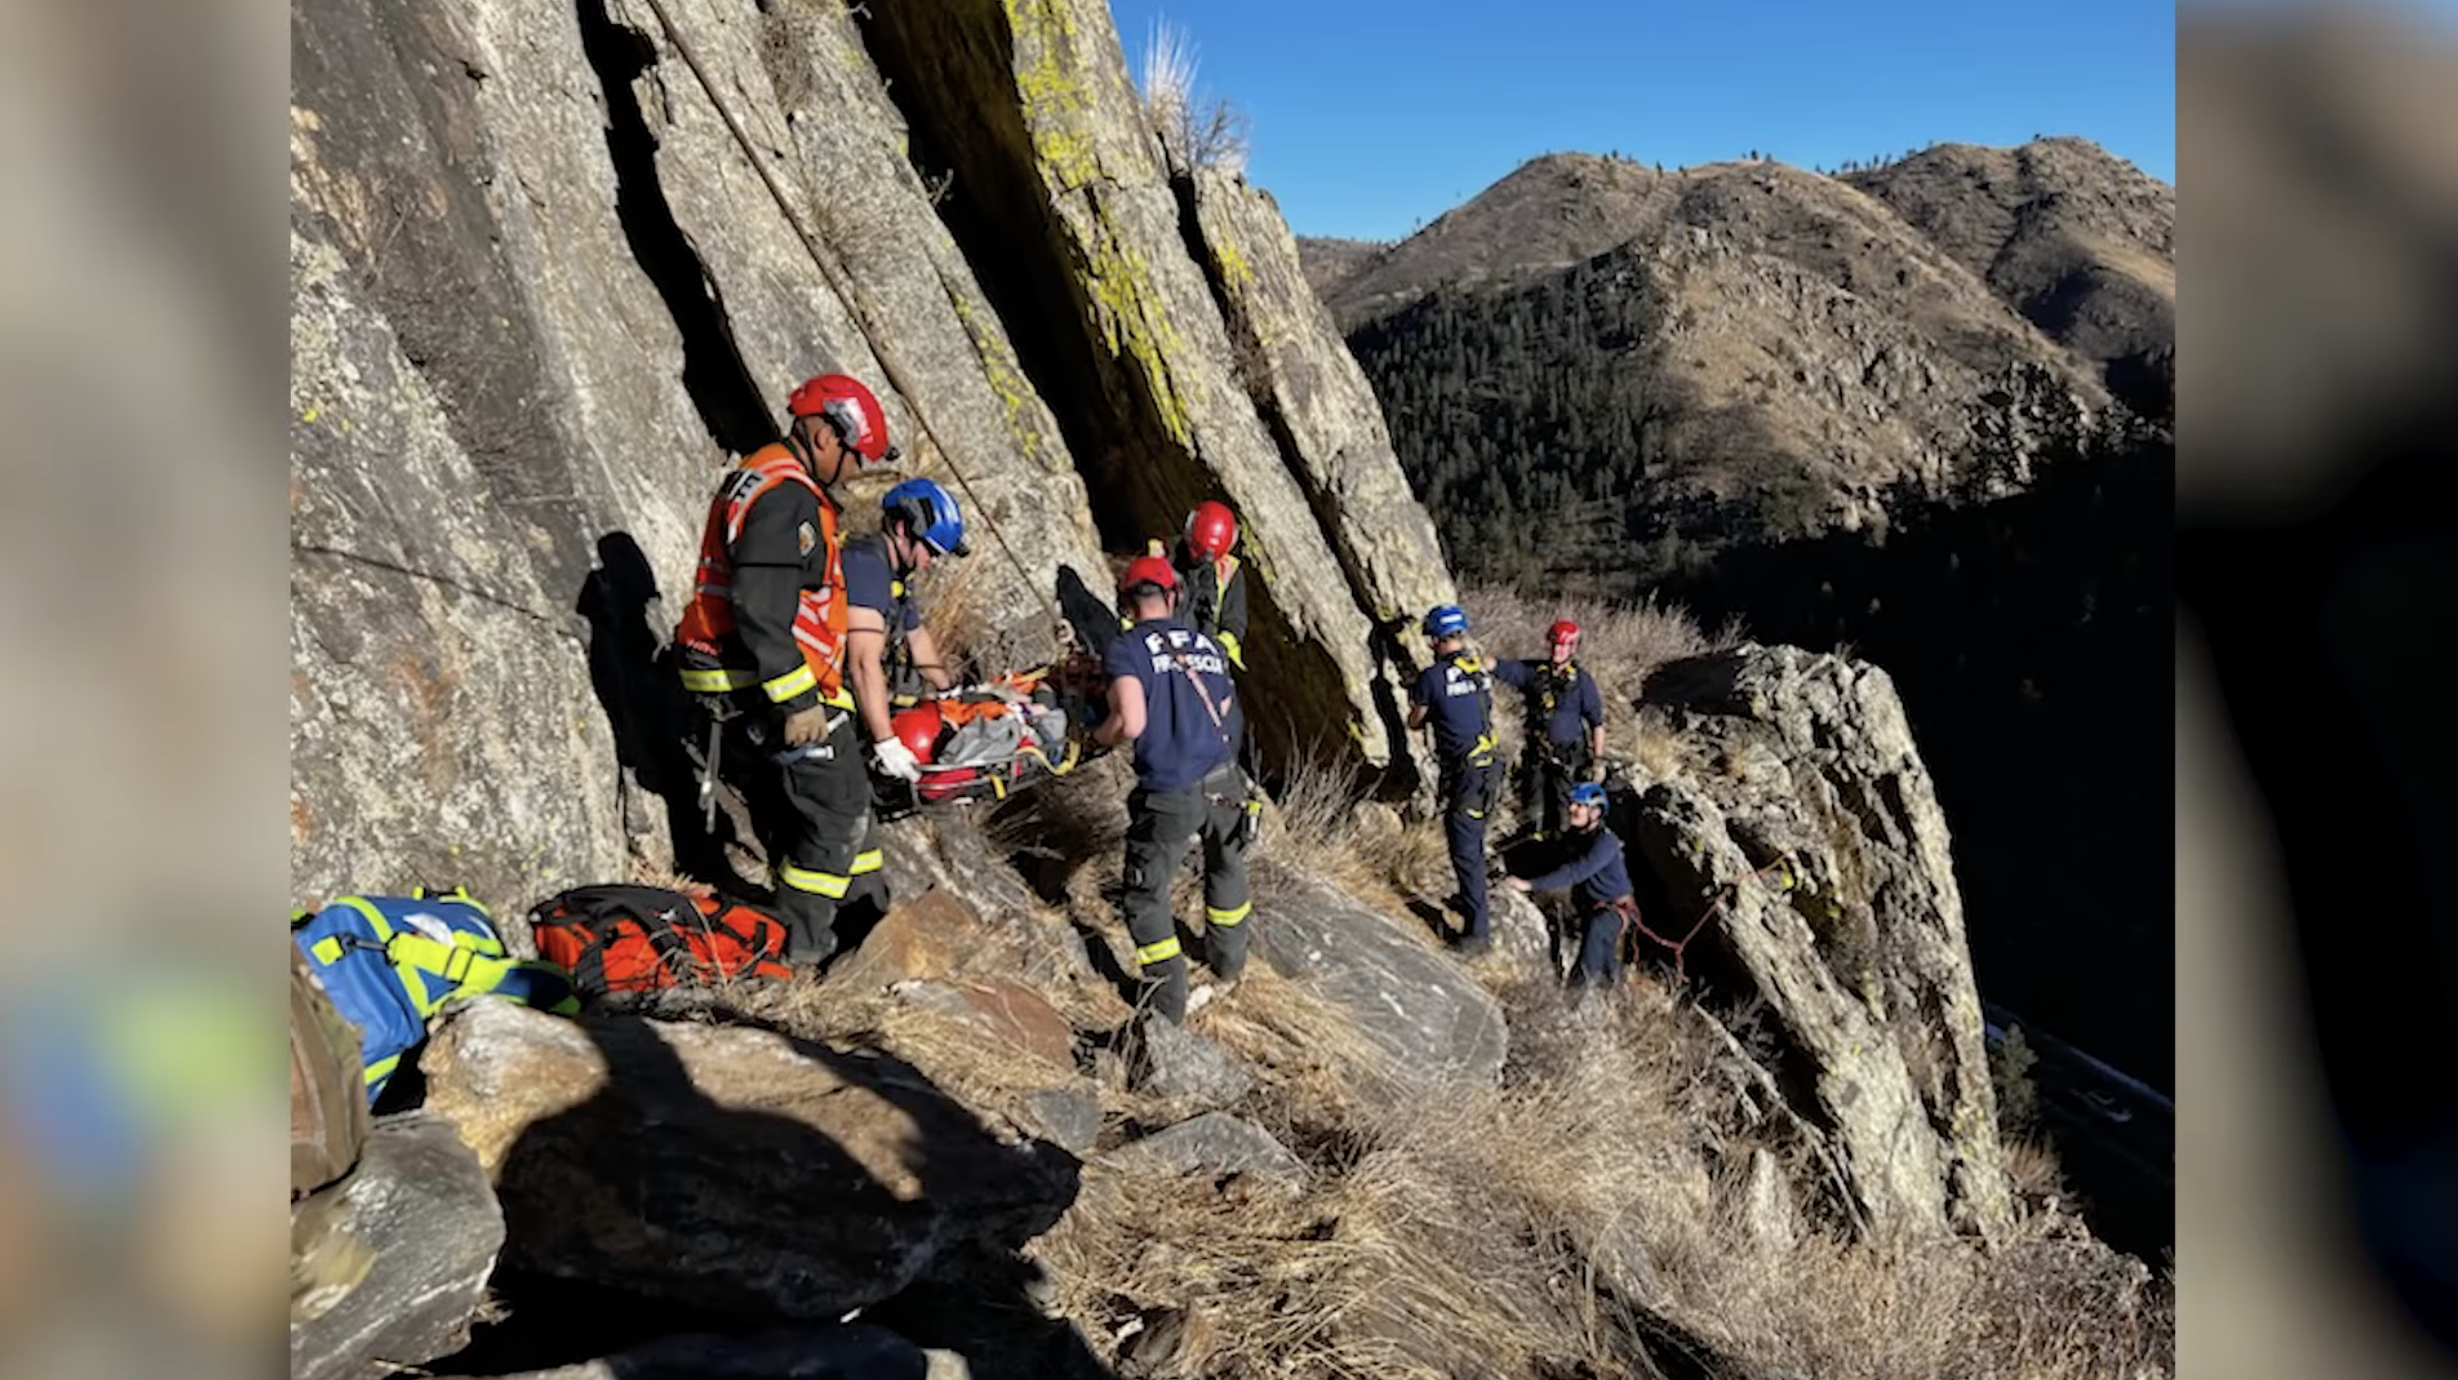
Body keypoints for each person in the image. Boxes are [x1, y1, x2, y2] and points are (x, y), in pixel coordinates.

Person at [672, 372, 897, 968]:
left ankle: (861, 926)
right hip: (764, 687)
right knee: (836, 812)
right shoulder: (786, 496)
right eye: (854, 457)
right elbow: (761, 606)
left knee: (828, 807)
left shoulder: (768, 476)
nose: (854, 473)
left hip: (754, 680)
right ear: (824, 435)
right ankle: (804, 953)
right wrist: (799, 703)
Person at [1092, 553, 1257, 1024]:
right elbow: (1226, 703)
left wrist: (1100, 736)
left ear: (1127, 602)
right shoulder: (1206, 644)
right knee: (1225, 867)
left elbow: (1130, 720)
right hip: (1226, 779)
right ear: (1174, 596)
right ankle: (1228, 962)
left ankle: (1167, 1003)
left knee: (1146, 894)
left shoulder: (1127, 648)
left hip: (1171, 789)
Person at [844, 476, 970, 788]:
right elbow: (862, 663)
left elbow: (916, 635)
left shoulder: (897, 574)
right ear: (902, 529)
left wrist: (947, 690)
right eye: (930, 550)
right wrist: (886, 742)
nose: (932, 562)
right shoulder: (865, 565)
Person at [1406, 603, 1501, 957]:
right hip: (1487, 768)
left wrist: (1415, 698)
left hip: (1466, 773)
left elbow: (1415, 722)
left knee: (1465, 849)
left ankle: (1478, 934)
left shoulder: (1431, 678)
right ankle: (1469, 900)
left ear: (1434, 639)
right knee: (1470, 839)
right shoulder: (1476, 671)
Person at [1504, 781, 1639, 995]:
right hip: (1591, 907)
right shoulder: (1576, 838)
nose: (1572, 809)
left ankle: (1574, 997)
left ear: (1595, 812)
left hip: (1616, 909)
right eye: (1572, 804)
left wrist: (1528, 885)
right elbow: (1555, 861)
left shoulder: (1606, 843)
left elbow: (1576, 872)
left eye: (1579, 805)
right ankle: (1616, 995)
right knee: (1605, 960)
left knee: (1598, 930)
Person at [1493, 619, 1606, 839]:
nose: (1557, 650)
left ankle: (1563, 854)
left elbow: (1597, 722)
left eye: (1563, 646)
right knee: (1533, 809)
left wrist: (1598, 760)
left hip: (1568, 758)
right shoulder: (1533, 673)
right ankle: (1532, 854)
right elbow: (1499, 667)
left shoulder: (1581, 682)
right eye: (1554, 645)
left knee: (1565, 812)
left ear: (1572, 648)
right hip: (1537, 756)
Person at [1143, 500, 1249, 671]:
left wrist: (1213, 650)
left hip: (1206, 663)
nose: (1199, 560)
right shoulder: (1158, 557)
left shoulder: (1229, 572)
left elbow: (1234, 625)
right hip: (1157, 653)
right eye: (1196, 553)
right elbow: (1133, 611)